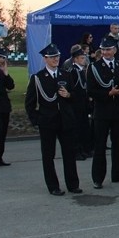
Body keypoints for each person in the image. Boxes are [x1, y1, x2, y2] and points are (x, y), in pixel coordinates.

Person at [25, 44, 81, 195]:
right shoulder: (38, 78)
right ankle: (53, 186)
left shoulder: (66, 74)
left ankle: (73, 184)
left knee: (69, 153)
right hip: (48, 122)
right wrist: (37, 120)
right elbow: (30, 103)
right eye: (52, 57)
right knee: (48, 155)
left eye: (57, 56)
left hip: (66, 121)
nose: (56, 59)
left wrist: (69, 95)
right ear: (45, 59)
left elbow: (77, 96)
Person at [87, 37, 119, 189]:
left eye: (109, 49)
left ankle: (117, 174)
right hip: (102, 112)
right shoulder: (94, 67)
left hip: (118, 111)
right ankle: (98, 178)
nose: (106, 52)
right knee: (100, 145)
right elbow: (91, 90)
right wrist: (108, 93)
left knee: (118, 144)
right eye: (104, 50)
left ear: (115, 50)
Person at [65, 45, 93, 161]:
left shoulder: (81, 71)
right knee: (76, 129)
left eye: (84, 57)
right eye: (81, 58)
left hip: (82, 105)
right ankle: (77, 151)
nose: (84, 60)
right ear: (75, 59)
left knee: (83, 128)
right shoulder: (73, 71)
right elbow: (73, 89)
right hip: (75, 105)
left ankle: (84, 149)